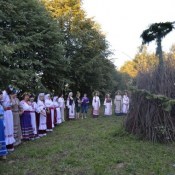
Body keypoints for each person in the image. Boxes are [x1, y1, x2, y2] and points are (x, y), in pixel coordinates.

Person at [2, 87, 15, 151]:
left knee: (10, 127)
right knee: (7, 127)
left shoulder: (8, 94)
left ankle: (10, 145)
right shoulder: (4, 93)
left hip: (9, 112)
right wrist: (3, 106)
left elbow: (12, 103)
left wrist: (11, 98)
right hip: (5, 112)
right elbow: (1, 101)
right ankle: (7, 146)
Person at [0, 90, 8, 160]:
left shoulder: (1, 104)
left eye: (1, 95)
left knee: (2, 137)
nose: (1, 96)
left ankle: (3, 153)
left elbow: (2, 114)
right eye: (0, 95)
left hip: (1, 122)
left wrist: (4, 123)